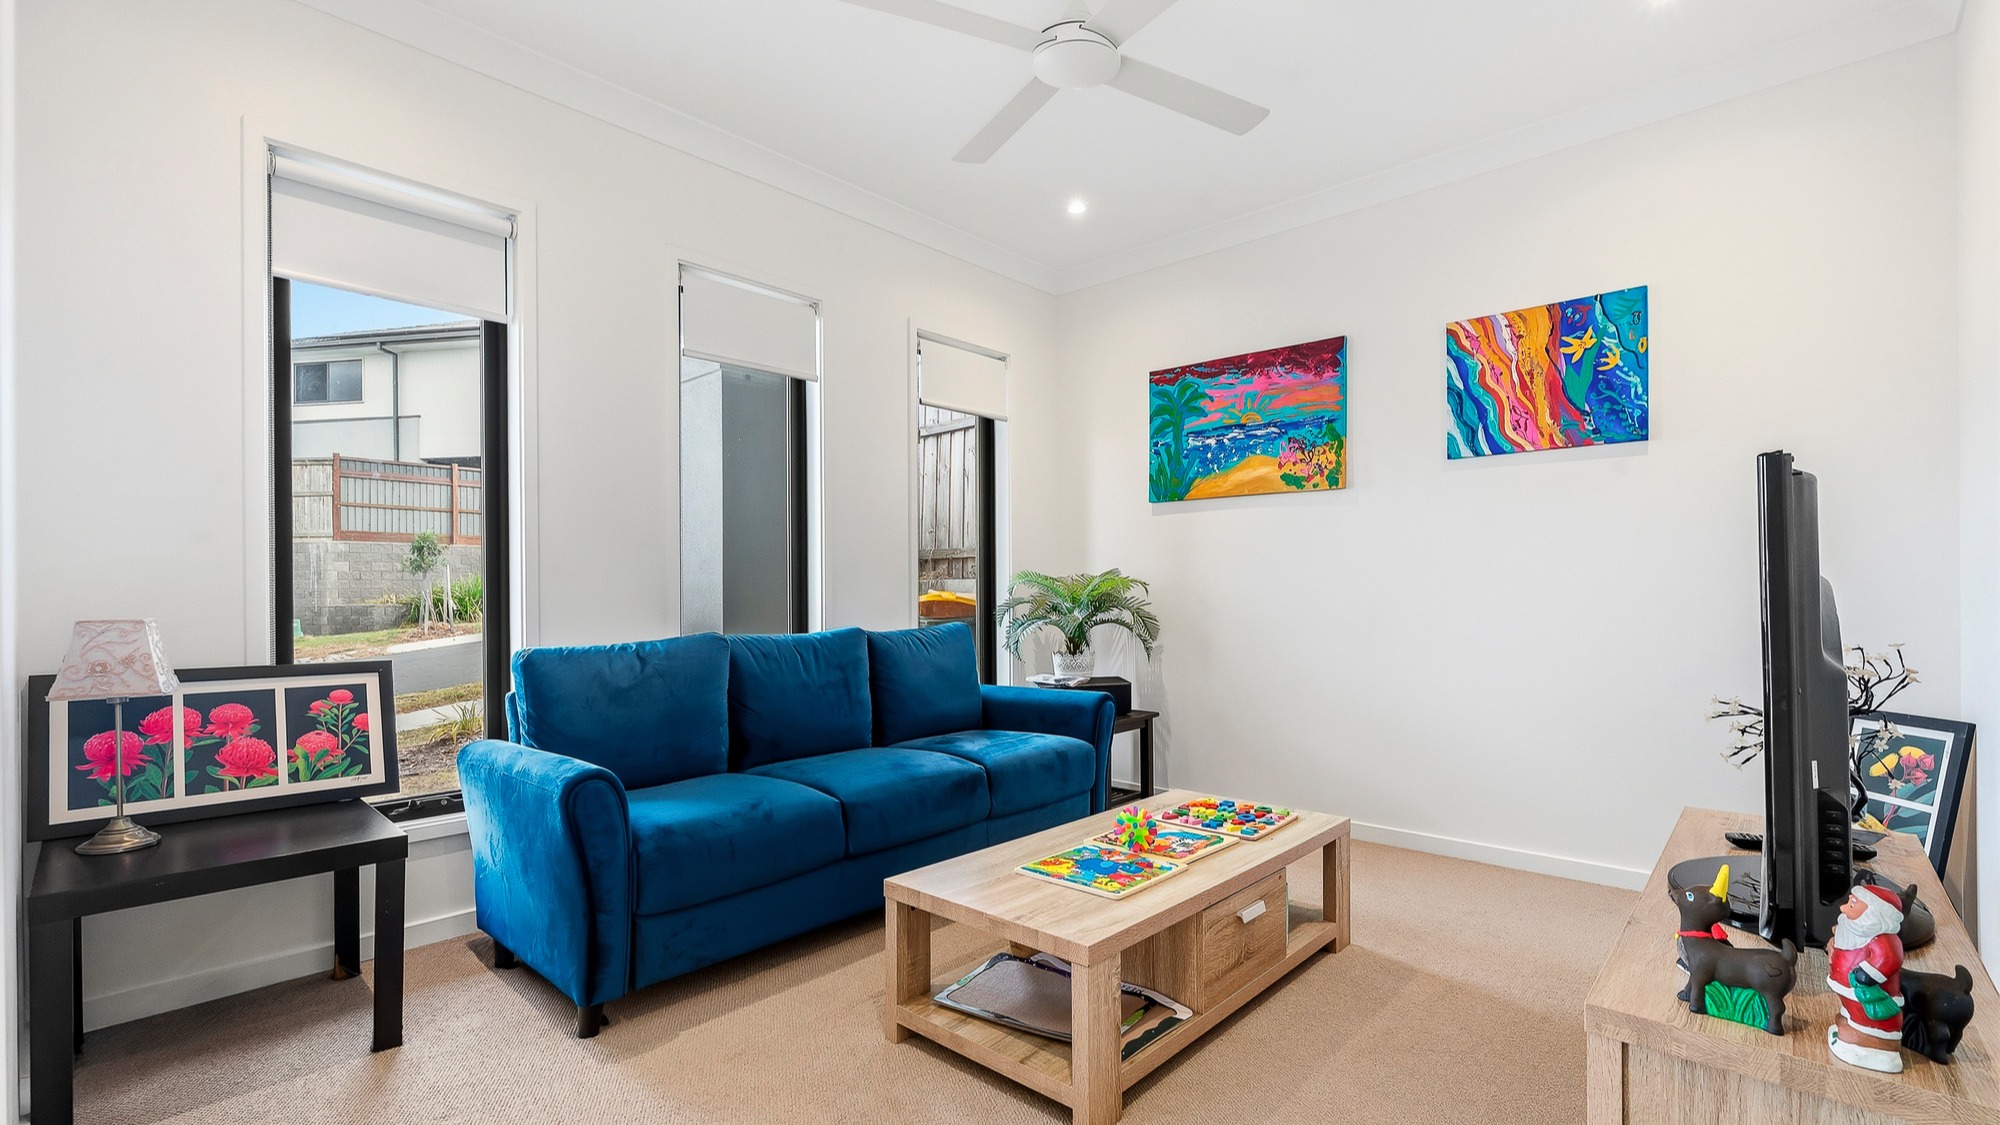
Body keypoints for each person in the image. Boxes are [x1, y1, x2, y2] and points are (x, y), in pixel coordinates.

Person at [1825, 883, 1907, 1073]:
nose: (1843, 908)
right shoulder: (1852, 930)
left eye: (1852, 905)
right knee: (1850, 1014)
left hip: (1868, 996)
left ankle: (1868, 1041)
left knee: (1864, 1015)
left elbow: (1889, 958)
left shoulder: (1884, 940)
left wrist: (1866, 975)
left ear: (1873, 914)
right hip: (1851, 995)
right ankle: (1852, 1025)